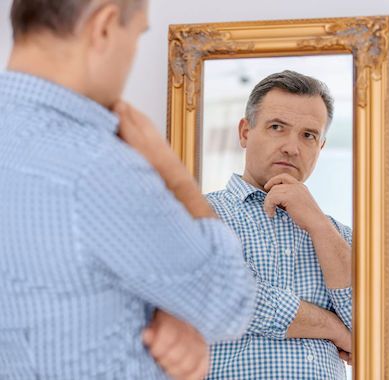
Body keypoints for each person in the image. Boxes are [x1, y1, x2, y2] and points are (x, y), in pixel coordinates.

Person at [0, 1, 255, 379]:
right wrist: (173, 173)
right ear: (103, 26)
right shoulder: (98, 166)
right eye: (137, 35)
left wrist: (166, 306)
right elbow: (228, 302)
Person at [199, 70, 354, 378]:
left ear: (320, 147)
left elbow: (371, 329)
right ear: (245, 132)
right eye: (277, 127)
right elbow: (228, 295)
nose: (292, 147)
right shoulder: (198, 213)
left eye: (308, 135)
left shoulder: (342, 237)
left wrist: (319, 225)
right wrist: (332, 327)